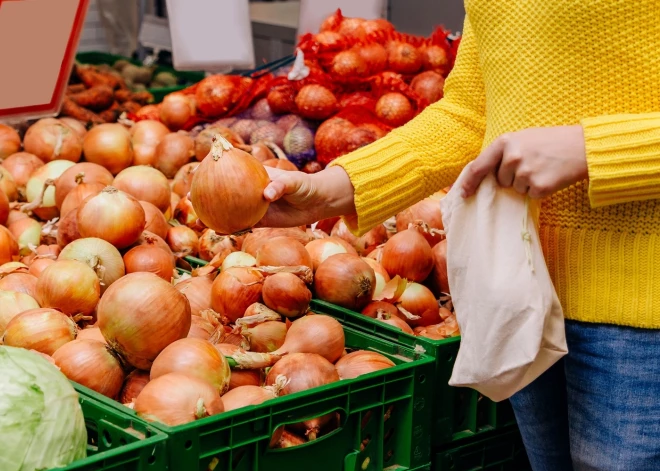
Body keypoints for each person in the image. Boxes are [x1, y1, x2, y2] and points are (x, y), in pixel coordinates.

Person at [257, 2, 660, 470]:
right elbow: (471, 113)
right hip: (521, 290)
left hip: (643, 310)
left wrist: (593, 150)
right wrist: (333, 189)